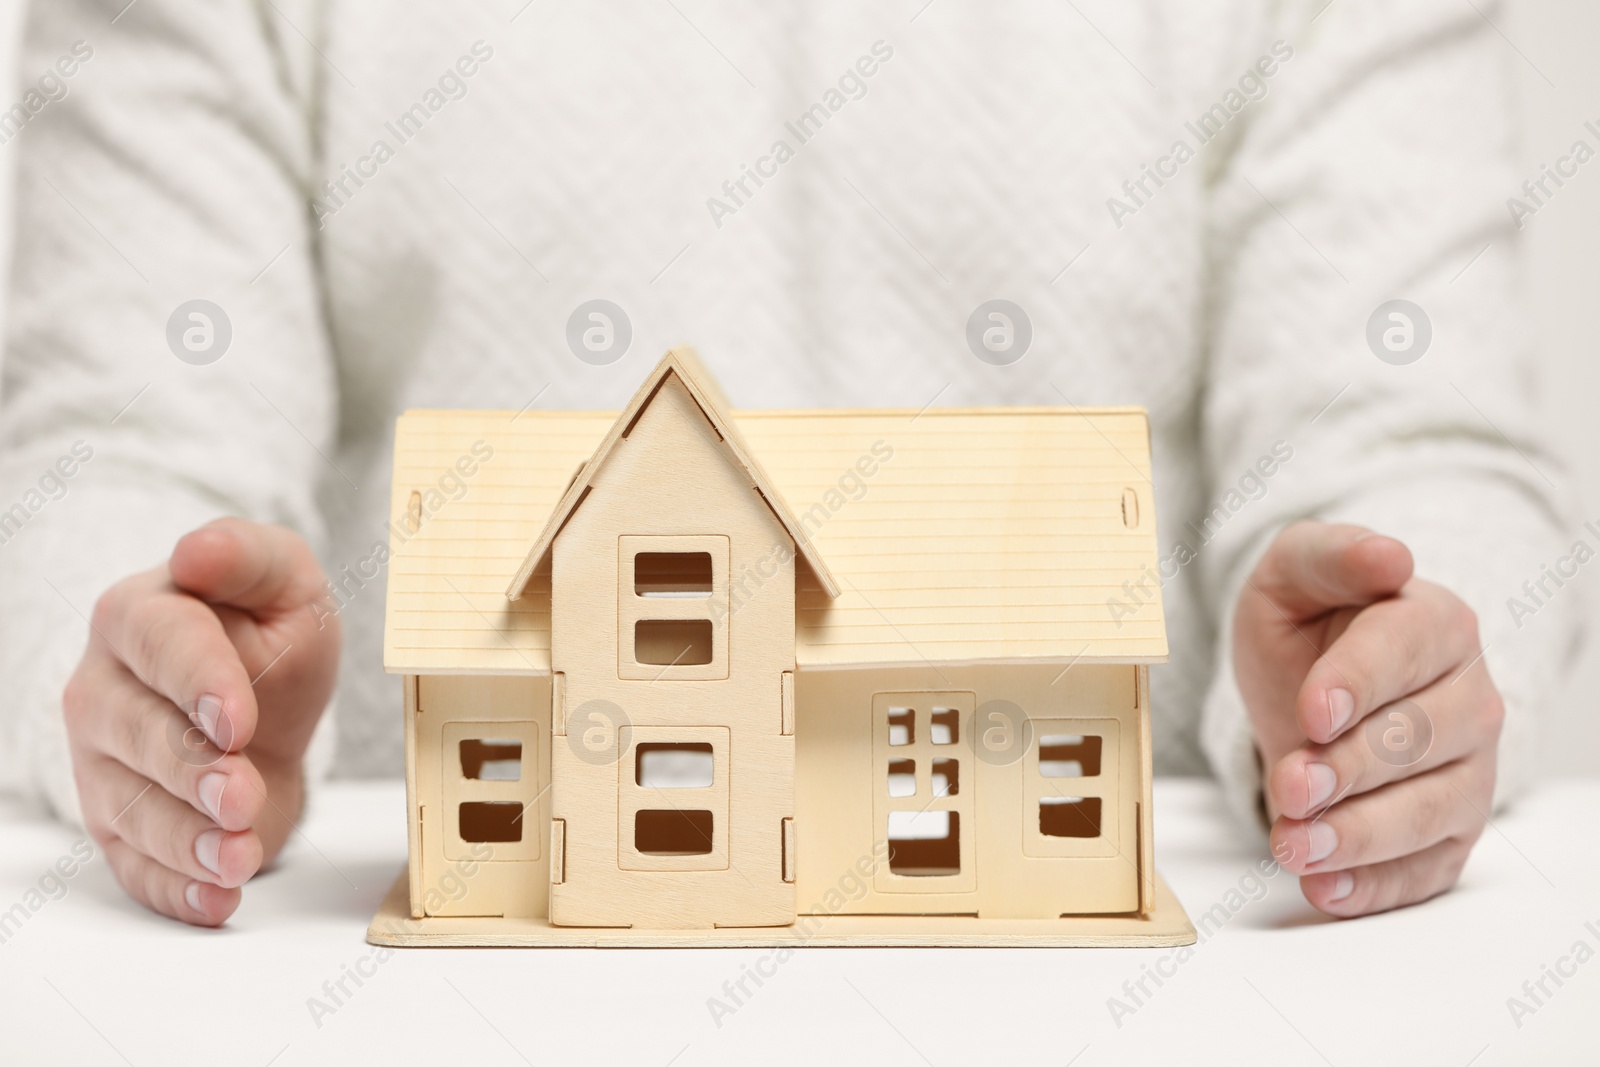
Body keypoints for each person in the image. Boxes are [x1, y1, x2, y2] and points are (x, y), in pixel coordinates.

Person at [0, 0, 1576, 926]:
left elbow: (1416, 439)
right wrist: (160, 668)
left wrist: (1364, 681)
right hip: (403, 952)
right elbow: (113, 442)